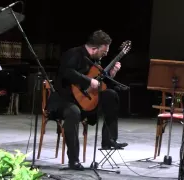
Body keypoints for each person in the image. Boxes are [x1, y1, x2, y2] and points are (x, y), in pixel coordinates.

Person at [53, 30, 128, 170]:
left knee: (111, 95)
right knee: (73, 112)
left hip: (85, 102)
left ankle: (108, 140)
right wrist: (88, 81)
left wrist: (111, 74)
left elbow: (100, 85)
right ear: (94, 48)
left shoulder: (95, 60)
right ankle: (73, 160)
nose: (105, 54)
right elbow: (67, 72)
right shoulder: (73, 54)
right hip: (64, 100)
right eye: (104, 51)